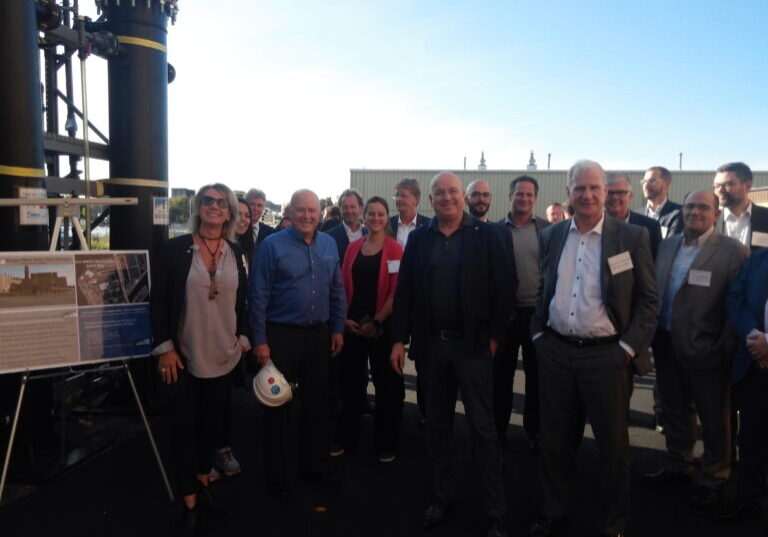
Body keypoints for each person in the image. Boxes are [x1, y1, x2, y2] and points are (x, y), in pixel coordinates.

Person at [530, 160, 658, 537]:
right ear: (568, 192)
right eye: (578, 188)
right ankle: (553, 510)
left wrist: (627, 348)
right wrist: (538, 333)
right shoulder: (552, 235)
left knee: (613, 448)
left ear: (606, 192)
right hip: (556, 352)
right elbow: (544, 288)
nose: (586, 195)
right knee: (554, 443)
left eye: (593, 188)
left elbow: (650, 300)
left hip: (608, 357)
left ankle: (613, 521)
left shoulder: (630, 237)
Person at [391, 172, 515, 537]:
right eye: (439, 194)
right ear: (430, 201)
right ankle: (442, 496)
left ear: (462, 196)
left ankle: (495, 509)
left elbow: (506, 289)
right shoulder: (419, 239)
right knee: (438, 426)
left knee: (483, 429)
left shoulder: (489, 235)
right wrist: (398, 340)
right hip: (432, 348)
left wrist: (494, 338)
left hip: (473, 347)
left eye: (452, 192)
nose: (446, 198)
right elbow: (406, 293)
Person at [150, 183, 250, 535]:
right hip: (183, 356)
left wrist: (243, 339)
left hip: (224, 356)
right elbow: (159, 300)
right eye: (208, 200)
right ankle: (190, 497)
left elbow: (243, 301)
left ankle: (203, 480)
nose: (214, 206)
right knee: (183, 428)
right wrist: (165, 347)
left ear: (229, 212)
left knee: (211, 428)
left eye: (222, 203)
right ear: (198, 207)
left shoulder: (236, 253)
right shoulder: (176, 250)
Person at [646, 190, 747, 508]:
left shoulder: (733, 251)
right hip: (666, 342)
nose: (695, 212)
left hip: (708, 347)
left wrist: (725, 343)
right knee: (675, 410)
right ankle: (679, 463)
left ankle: (715, 474)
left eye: (704, 207)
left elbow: (738, 302)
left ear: (716, 213)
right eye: (690, 206)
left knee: (714, 416)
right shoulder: (669, 244)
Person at [248, 189, 346, 498]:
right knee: (278, 407)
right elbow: (258, 296)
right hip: (281, 337)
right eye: (300, 210)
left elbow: (337, 290)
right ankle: (278, 477)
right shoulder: (271, 246)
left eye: (312, 211)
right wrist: (259, 341)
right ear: (290, 211)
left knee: (317, 404)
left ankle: (314, 464)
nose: (306, 216)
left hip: (318, 336)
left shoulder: (329, 244)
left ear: (320, 214)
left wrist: (338, 328)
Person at [337, 196, 404, 462]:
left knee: (385, 386)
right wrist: (344, 319)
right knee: (351, 384)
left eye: (381, 214)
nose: (375, 218)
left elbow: (395, 292)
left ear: (387, 217)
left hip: (381, 327)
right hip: (353, 326)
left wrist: (376, 321)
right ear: (364, 216)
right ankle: (347, 437)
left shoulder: (395, 249)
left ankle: (386, 442)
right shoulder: (353, 248)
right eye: (371, 213)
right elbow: (341, 285)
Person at [497, 175, 547, 449]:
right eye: (519, 194)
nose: (524, 198)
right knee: (501, 376)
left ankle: (535, 430)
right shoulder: (495, 231)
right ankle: (498, 428)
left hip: (537, 314)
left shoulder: (548, 230)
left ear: (535, 198)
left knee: (536, 375)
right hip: (505, 316)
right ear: (510, 196)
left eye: (529, 195)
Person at [726, 246, 768, 519]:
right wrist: (753, 335)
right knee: (752, 437)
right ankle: (749, 501)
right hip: (756, 363)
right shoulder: (759, 257)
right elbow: (735, 298)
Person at [714, 161, 768, 252]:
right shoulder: (711, 220)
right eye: (717, 186)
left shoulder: (765, 217)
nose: (720, 190)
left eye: (727, 184)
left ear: (747, 186)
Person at [606, 173, 663, 259]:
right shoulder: (593, 224)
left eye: (621, 192)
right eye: (609, 193)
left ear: (630, 196)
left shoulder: (650, 227)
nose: (615, 197)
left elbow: (656, 262)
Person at [642, 166, 683, 238]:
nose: (646, 185)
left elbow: (671, 244)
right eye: (644, 181)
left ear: (666, 185)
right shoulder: (637, 215)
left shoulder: (678, 214)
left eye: (652, 181)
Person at [327, 189, 368, 261]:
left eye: (352, 206)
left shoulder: (369, 234)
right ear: (340, 209)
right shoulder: (330, 237)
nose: (349, 211)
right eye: (345, 207)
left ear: (361, 208)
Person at [390, 177, 430, 249]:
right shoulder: (388, 225)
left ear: (416, 199)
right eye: (397, 195)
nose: (398, 199)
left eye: (403, 196)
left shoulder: (428, 226)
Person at [235, 198, 256, 267]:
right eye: (238, 214)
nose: (243, 219)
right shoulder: (218, 247)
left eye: (247, 216)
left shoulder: (246, 247)